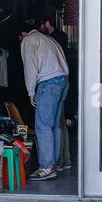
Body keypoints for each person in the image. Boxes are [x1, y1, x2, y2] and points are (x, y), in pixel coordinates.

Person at [20, 17, 69, 180]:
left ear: (23, 34)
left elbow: (30, 66)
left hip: (48, 83)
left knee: (42, 126)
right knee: (55, 125)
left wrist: (30, 91)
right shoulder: (48, 39)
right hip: (63, 80)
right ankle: (55, 164)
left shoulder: (28, 40)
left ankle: (47, 167)